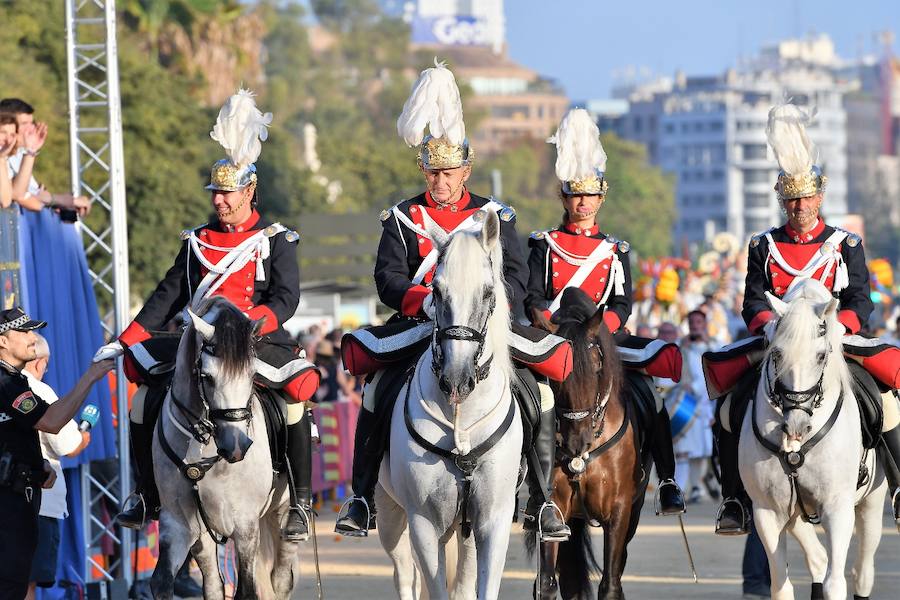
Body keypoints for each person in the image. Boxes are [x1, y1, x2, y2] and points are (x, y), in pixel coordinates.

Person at [335, 62, 571, 540]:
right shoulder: (403, 217)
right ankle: (361, 496)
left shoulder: (494, 216)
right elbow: (387, 278)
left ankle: (543, 500)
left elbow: (515, 278)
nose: (439, 180)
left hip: (482, 326)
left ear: (466, 170)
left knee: (538, 391)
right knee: (377, 390)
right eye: (432, 171)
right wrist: (422, 300)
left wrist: (480, 309)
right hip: (418, 325)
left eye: (448, 171)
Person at [93, 89, 320, 542]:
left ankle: (299, 500)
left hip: (255, 337)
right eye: (216, 194)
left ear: (250, 191)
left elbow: (286, 297)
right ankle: (145, 494)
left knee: (293, 399)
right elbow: (168, 294)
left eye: (227, 194)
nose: (219, 202)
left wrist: (254, 322)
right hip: (197, 339)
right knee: (143, 396)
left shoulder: (276, 239)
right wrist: (127, 337)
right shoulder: (196, 241)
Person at [713, 102, 900, 534]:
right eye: (792, 199)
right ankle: (735, 499)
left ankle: (898, 487)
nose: (799, 207)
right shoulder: (763, 245)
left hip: (831, 342)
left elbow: (860, 298)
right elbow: (753, 302)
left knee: (885, 402)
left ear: (820, 197)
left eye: (806, 198)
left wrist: (839, 328)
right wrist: (773, 330)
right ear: (783, 200)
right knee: (728, 406)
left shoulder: (844, 243)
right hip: (780, 345)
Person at [524, 107, 685, 516]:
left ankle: (666, 480)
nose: (583, 203)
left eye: (589, 196)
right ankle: (526, 486)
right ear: (564, 198)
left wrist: (601, 330)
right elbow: (533, 296)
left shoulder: (615, 250)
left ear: (600, 198)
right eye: (575, 195)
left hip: (602, 340)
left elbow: (622, 303)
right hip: (556, 341)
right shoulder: (544, 243)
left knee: (651, 394)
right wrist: (546, 320)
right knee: (526, 397)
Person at [0, 307, 114, 600]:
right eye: (23, 331)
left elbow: (14, 437)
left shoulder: (17, 381)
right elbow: (51, 421)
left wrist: (38, 468)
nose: (32, 338)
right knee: (14, 584)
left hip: (21, 495)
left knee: (19, 579)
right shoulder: (5, 382)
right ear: (2, 341)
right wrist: (90, 377)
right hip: (8, 503)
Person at [22, 335, 91, 599]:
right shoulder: (39, 391)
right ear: (40, 362)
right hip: (36, 501)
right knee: (25, 580)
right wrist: (84, 436)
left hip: (16, 497)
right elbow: (67, 445)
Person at [0, 98, 90, 217]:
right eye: (24, 124)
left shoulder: (9, 155)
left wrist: (31, 151)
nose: (30, 128)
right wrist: (61, 200)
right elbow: (19, 197)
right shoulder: (6, 155)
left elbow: (23, 195)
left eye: (31, 123)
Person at [676, 310, 715, 504]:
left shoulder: (713, 346)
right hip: (687, 404)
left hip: (707, 406)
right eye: (692, 322)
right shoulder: (681, 347)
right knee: (683, 449)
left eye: (699, 321)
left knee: (700, 451)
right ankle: (679, 490)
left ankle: (697, 487)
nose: (695, 325)